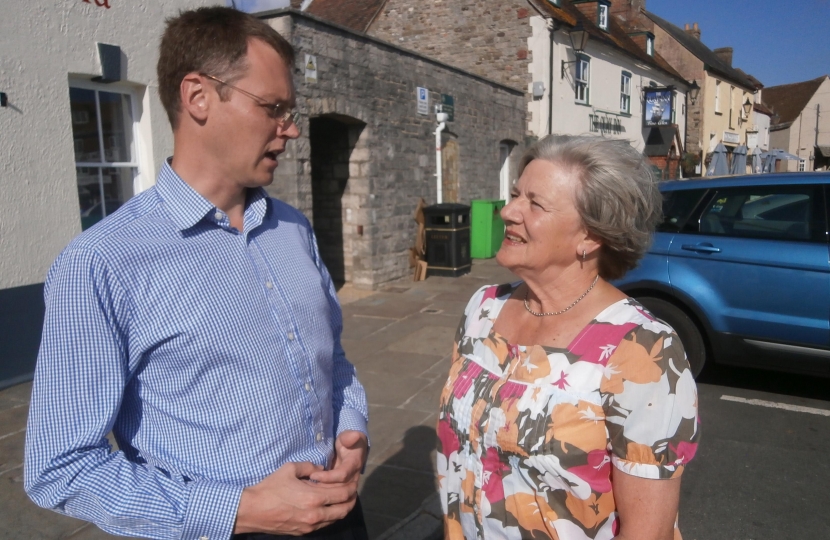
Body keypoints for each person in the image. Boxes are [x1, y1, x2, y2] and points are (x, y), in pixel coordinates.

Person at [25, 7, 369, 540]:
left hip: (339, 514)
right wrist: (236, 510)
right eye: (273, 107)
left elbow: (334, 359)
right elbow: (61, 466)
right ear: (198, 96)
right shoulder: (102, 262)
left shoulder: (293, 229)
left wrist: (352, 426)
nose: (292, 129)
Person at [437, 135, 700, 540]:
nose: (508, 211)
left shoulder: (642, 349)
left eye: (535, 204)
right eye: (514, 195)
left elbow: (647, 530)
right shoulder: (483, 308)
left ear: (590, 237)